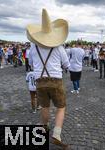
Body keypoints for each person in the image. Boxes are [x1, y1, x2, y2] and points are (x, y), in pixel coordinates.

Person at [27, 9, 70, 149]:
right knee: (61, 107)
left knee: (44, 107)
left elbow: (32, 64)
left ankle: (44, 129)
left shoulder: (33, 48)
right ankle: (57, 134)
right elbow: (66, 65)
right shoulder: (59, 48)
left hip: (40, 81)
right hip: (56, 80)